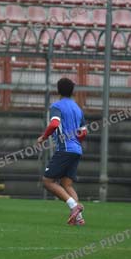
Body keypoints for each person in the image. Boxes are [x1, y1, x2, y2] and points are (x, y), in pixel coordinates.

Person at [37, 77, 87, 226]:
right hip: (77, 150)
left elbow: (54, 124)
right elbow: (83, 132)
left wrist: (44, 137)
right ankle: (78, 218)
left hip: (65, 149)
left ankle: (74, 206)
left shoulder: (57, 106)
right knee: (67, 184)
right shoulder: (77, 108)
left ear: (58, 91)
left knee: (47, 181)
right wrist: (75, 142)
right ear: (72, 91)